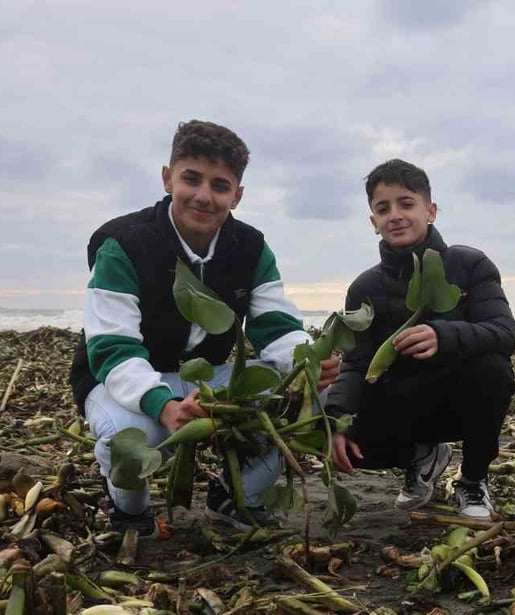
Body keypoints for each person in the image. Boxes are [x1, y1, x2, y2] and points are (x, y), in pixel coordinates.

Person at [68, 120, 340, 535]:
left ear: (237, 195)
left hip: (205, 382)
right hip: (120, 380)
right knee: (130, 434)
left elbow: (276, 325)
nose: (203, 196)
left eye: (219, 185)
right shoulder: (122, 242)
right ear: (167, 178)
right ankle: (131, 512)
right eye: (191, 179)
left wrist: (306, 361)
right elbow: (112, 347)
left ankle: (236, 498)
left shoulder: (250, 246)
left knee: (293, 403)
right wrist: (163, 404)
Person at [326, 159, 515, 519]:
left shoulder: (470, 264)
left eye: (406, 204)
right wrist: (337, 417)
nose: (395, 215)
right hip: (404, 402)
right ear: (373, 223)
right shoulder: (365, 287)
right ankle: (423, 458)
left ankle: (472, 480)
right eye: (383, 209)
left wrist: (443, 335)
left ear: (430, 211)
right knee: (341, 436)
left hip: (462, 401)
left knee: (493, 369)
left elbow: (505, 334)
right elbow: (356, 362)